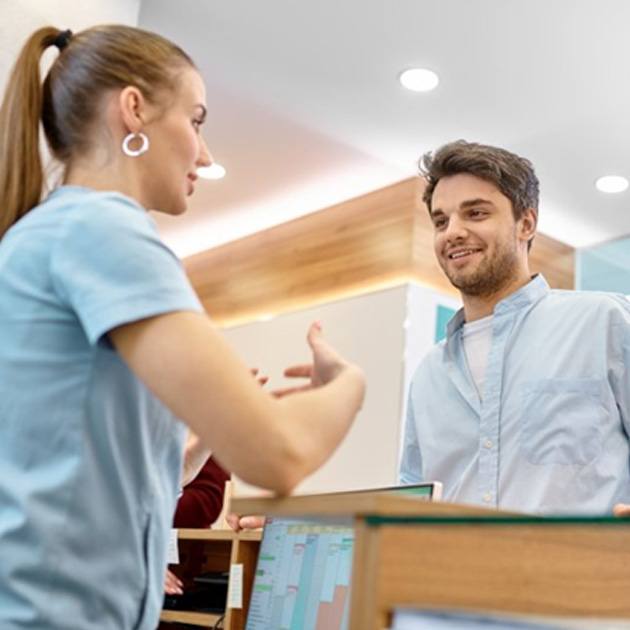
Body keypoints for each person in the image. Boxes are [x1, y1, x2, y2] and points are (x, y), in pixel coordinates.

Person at [0, 25, 365, 630]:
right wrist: (348, 385)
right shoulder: (104, 231)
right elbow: (278, 455)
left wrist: (180, 460)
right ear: (134, 109)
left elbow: (66, 471)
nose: (206, 153)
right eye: (196, 121)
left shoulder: (46, 234)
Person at [399, 140, 630, 516]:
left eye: (475, 214)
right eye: (441, 220)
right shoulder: (428, 374)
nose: (452, 232)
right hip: (456, 574)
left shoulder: (604, 322)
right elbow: (409, 506)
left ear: (526, 223)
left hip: (586, 574)